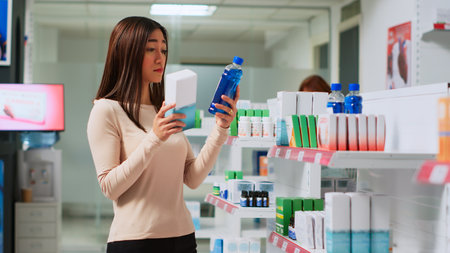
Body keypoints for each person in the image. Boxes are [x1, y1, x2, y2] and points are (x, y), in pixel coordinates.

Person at [86, 16, 238, 253]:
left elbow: (193, 178)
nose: (160, 58)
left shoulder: (164, 110)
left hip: (183, 237)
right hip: (135, 241)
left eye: (164, 50)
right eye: (150, 49)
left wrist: (220, 128)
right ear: (127, 53)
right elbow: (109, 187)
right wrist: (154, 139)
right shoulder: (106, 110)